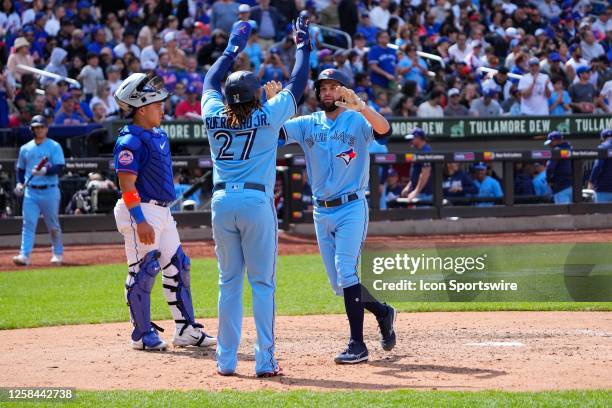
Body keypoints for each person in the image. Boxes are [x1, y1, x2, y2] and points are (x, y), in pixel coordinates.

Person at [201, 19, 309, 377]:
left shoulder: (214, 114)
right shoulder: (267, 114)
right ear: (254, 95)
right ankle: (264, 361)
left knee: (228, 283)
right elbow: (298, 83)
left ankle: (226, 361)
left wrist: (233, 46)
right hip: (254, 203)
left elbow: (210, 82)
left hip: (220, 204)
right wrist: (302, 45)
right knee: (262, 284)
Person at [279, 68, 397, 364]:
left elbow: (385, 131)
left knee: (346, 271)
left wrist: (364, 108)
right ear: (318, 94)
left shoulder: (357, 119)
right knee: (340, 284)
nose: (328, 93)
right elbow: (275, 133)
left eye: (334, 87)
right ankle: (383, 312)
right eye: (324, 88)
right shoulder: (308, 123)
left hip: (352, 207)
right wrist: (274, 107)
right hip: (322, 211)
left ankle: (358, 344)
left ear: (343, 91)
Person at [112, 72, 215, 351]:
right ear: (141, 109)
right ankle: (141, 335)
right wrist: (140, 220)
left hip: (163, 212)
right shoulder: (129, 141)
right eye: (157, 104)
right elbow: (126, 185)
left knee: (179, 266)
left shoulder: (156, 134)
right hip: (140, 210)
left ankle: (185, 330)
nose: (162, 108)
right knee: (144, 270)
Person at [12, 115, 65, 266]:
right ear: (32, 129)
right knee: (28, 223)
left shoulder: (54, 146)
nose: (39, 130)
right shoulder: (25, 148)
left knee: (53, 224)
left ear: (46, 128)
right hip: (31, 192)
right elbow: (20, 170)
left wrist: (45, 171)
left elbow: (59, 167)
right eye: (36, 127)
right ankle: (24, 255)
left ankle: (58, 253)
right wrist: (20, 184)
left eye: (41, 127)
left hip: (49, 190)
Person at [401, 127, 433, 202]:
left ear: (418, 138)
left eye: (412, 139)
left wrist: (416, 192)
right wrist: (408, 187)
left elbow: (425, 174)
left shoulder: (426, 151)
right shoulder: (419, 151)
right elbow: (416, 173)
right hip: (419, 194)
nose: (410, 141)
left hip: (425, 194)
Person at [545, 131, 573, 204]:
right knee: (573, 213)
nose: (549, 145)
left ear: (555, 140)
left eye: (551, 142)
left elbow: (549, 167)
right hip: (573, 186)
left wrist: (549, 180)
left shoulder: (557, 150)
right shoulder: (570, 149)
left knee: (563, 213)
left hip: (561, 186)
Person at [588, 129, 612, 203]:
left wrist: (591, 182)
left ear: (602, 138)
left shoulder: (603, 147)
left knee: (602, 213)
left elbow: (597, 166)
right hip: (605, 187)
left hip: (604, 188)